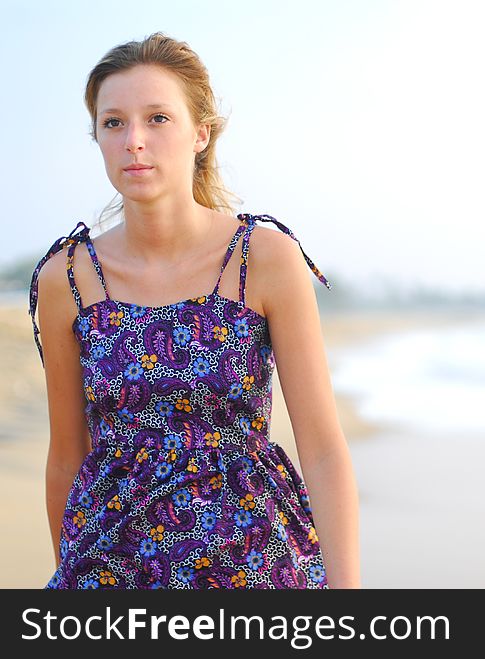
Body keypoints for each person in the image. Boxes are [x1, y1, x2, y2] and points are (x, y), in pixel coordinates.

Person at [27, 32, 360, 589]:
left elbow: (323, 449)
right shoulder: (66, 278)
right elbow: (66, 458)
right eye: (114, 123)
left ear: (200, 133)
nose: (134, 140)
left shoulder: (265, 258)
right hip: (111, 572)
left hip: (256, 564)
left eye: (158, 118)